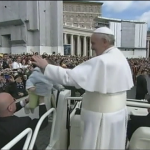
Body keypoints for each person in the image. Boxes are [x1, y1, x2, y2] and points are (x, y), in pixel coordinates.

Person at [32, 27, 133, 149]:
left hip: (101, 118)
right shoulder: (120, 57)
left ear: (105, 41)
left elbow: (70, 77)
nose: (91, 47)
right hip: (116, 115)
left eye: (93, 43)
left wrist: (47, 67)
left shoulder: (103, 60)